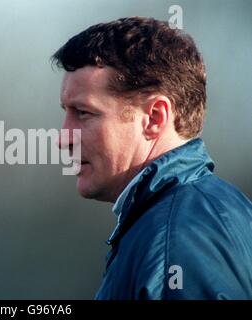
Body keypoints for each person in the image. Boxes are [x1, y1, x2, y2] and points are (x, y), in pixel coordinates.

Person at [52, 17, 252, 299]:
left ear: (155, 118)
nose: (64, 138)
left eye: (83, 113)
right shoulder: (221, 210)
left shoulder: (175, 239)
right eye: (66, 112)